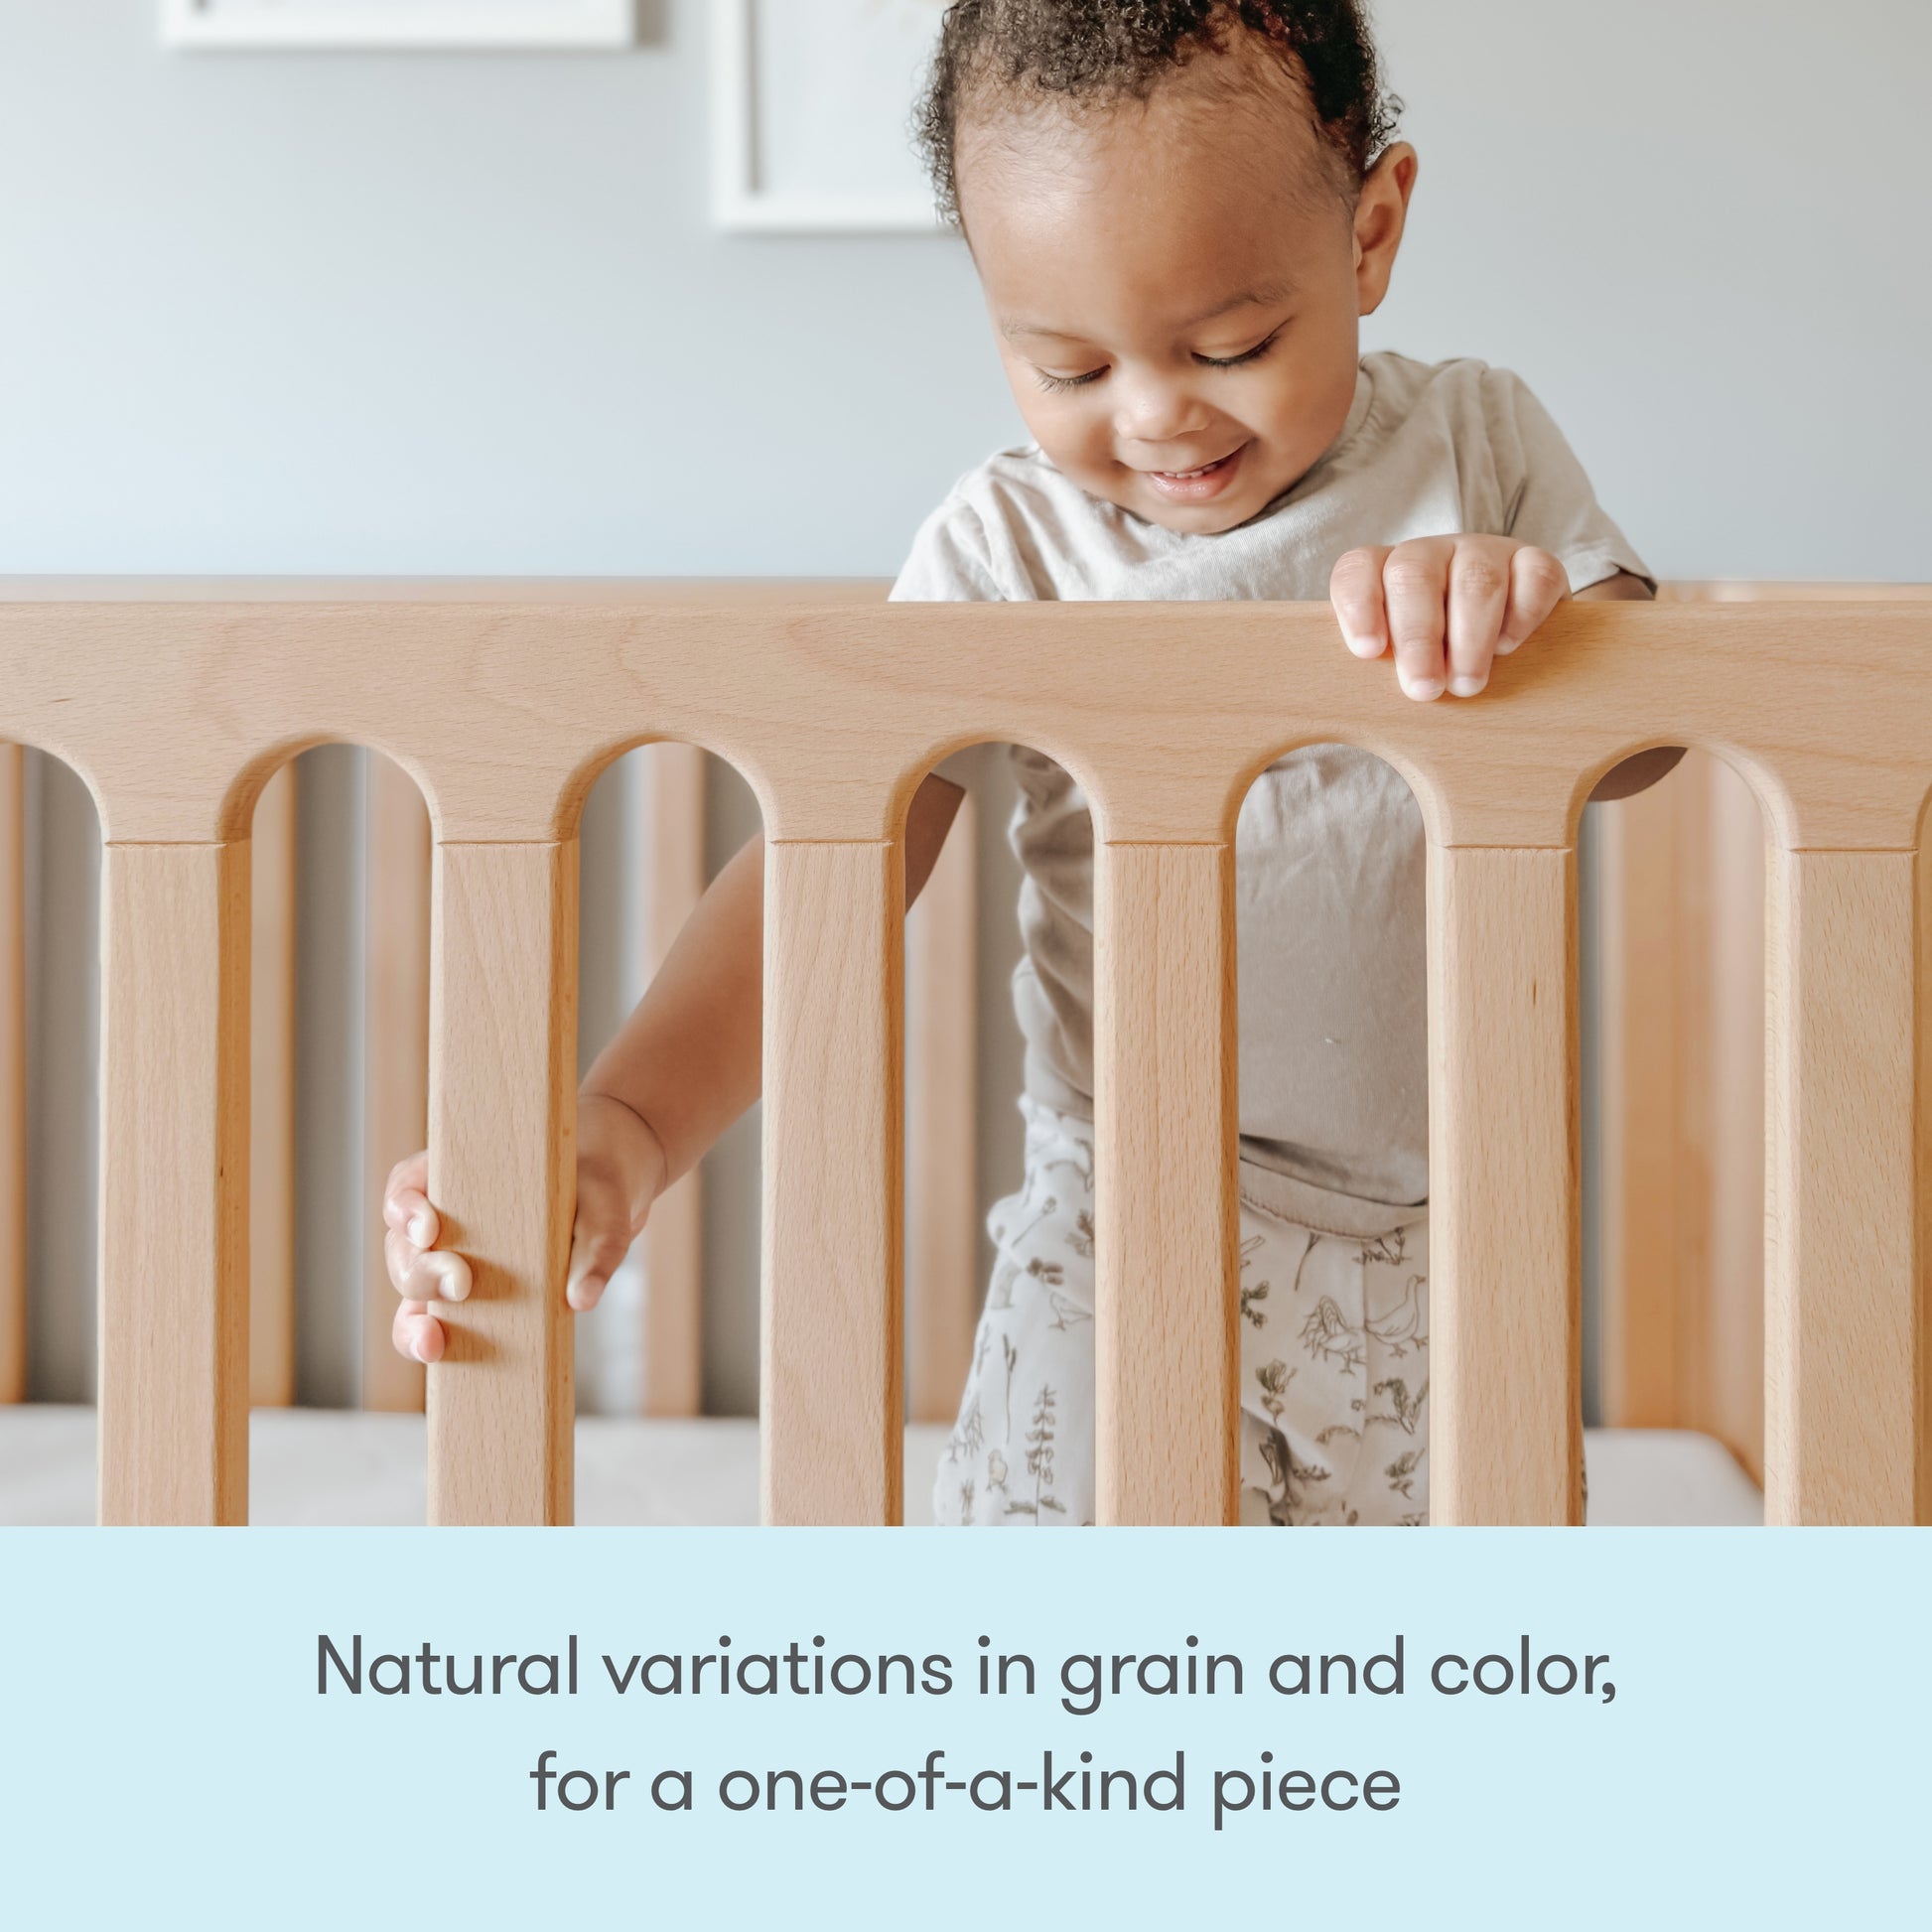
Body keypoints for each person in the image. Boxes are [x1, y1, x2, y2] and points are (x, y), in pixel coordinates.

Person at [381, 0, 1677, 1527]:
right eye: (1065, 367)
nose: (1156, 413)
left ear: (1370, 231)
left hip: (1449, 1236)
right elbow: (832, 860)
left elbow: (1653, 743)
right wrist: (633, 1123)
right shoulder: (1007, 549)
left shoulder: (1473, 447)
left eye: (1232, 344)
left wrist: (1525, 613)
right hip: (1124, 1214)